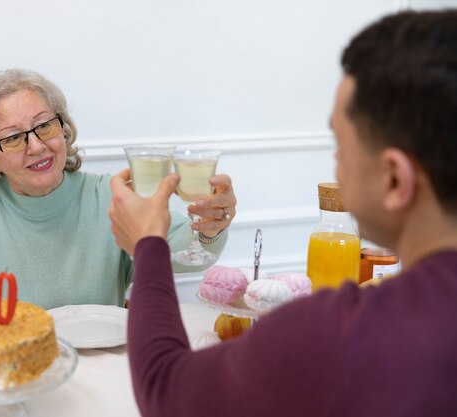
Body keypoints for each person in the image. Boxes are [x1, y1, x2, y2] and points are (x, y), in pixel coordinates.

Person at [109, 10, 457, 417]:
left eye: (341, 147)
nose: (336, 166)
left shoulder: (337, 336)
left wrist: (148, 245)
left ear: (395, 180)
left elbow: (165, 388)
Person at [0, 69, 237, 337]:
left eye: (44, 126)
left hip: (105, 367)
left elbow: (179, 251)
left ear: (63, 128)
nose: (36, 146)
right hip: (15, 376)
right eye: (13, 138)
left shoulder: (107, 195)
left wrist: (209, 227)